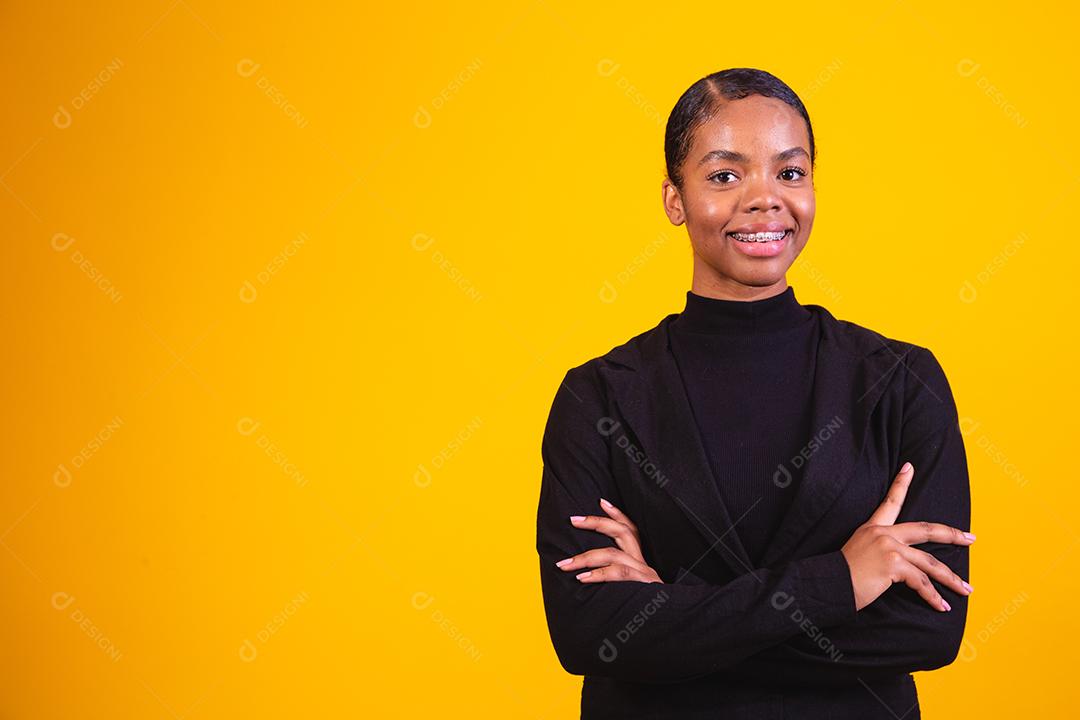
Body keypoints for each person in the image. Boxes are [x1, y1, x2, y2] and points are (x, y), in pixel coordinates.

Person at [536, 68, 974, 719]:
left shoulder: (899, 382)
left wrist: (671, 615)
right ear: (674, 199)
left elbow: (928, 631)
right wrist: (838, 584)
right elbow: (589, 636)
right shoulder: (598, 398)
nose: (765, 198)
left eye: (790, 173)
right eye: (724, 175)